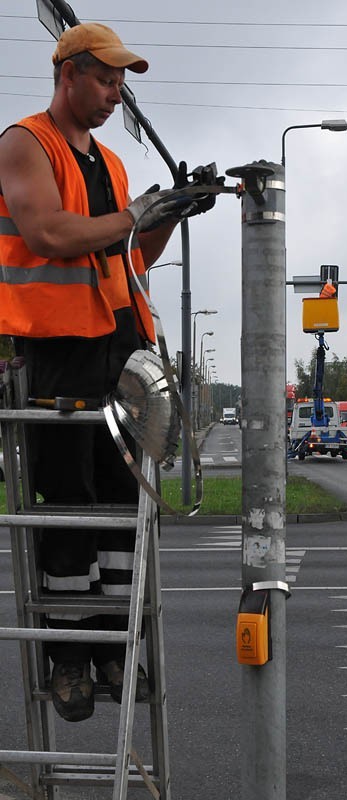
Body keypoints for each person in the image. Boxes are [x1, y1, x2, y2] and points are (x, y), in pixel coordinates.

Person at [0, 23, 215, 722]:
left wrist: (171, 213)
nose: (115, 93)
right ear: (68, 74)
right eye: (105, 79)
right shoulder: (26, 142)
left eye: (121, 82)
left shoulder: (113, 164)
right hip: (59, 349)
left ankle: (115, 647)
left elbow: (130, 257)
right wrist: (135, 212)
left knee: (122, 503)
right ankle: (68, 657)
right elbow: (51, 235)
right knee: (68, 504)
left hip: (119, 346)